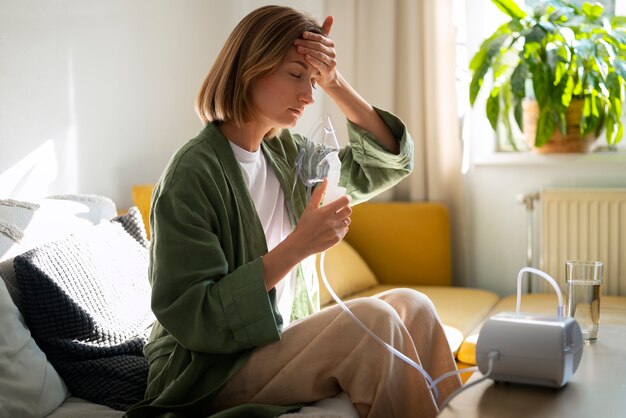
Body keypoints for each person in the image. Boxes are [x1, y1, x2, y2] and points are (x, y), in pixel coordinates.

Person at [125, 5, 461, 418]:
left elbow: (381, 161)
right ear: (252, 67)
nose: (308, 95)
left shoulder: (286, 152)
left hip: (277, 341)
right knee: (374, 320)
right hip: (209, 370)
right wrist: (298, 246)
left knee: (416, 308)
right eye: (295, 75)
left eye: (314, 80)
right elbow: (195, 316)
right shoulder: (190, 177)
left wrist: (335, 81)